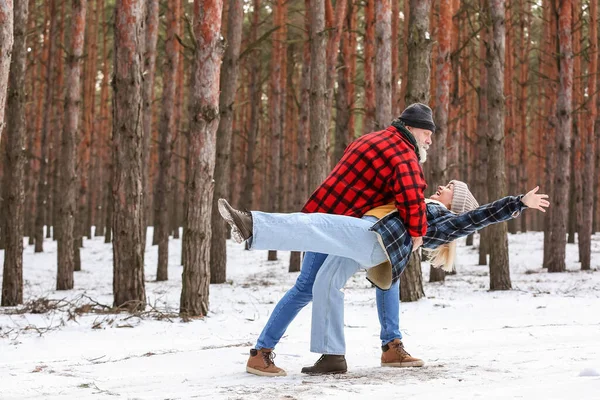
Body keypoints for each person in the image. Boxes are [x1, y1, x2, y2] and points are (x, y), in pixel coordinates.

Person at [219, 183, 549, 373]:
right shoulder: (417, 200)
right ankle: (331, 355)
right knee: (322, 284)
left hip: (369, 237)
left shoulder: (444, 218)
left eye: (449, 189)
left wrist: (516, 203)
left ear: (455, 203)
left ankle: (253, 227)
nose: (442, 187)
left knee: (316, 225)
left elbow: (477, 218)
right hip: (364, 236)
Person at [223, 103, 436, 376]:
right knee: (379, 272)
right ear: (409, 128)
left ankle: (261, 352)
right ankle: (391, 345)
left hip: (325, 214)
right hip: (341, 226)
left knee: (308, 287)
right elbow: (411, 195)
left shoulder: (368, 140)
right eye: (426, 133)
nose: (429, 140)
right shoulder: (403, 153)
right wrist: (417, 233)